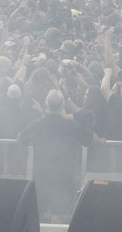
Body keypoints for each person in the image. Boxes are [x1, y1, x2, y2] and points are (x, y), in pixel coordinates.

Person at [18, 88, 97, 221]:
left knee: (38, 214)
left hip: (42, 176)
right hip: (64, 176)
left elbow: (21, 138)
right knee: (58, 214)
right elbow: (90, 139)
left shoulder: (38, 124)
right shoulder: (71, 125)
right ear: (63, 105)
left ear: (46, 104)